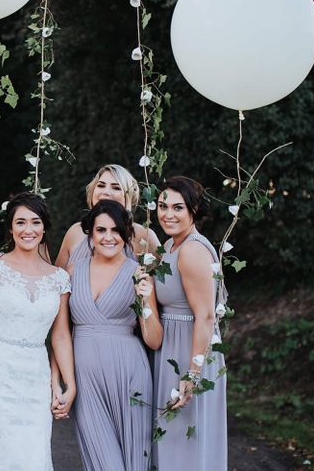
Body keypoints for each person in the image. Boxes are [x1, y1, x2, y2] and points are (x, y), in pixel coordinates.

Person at [0, 192, 74, 471]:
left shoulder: (59, 278)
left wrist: (68, 384)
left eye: (35, 222)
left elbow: (60, 335)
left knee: (33, 458)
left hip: (35, 377)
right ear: (10, 228)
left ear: (44, 227)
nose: (28, 230)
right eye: (20, 222)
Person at [63, 200, 162, 470]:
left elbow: (154, 340)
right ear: (91, 234)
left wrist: (145, 305)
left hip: (130, 374)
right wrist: (62, 381)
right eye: (101, 230)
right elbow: (60, 332)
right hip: (86, 381)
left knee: (134, 461)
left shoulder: (139, 274)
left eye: (116, 230)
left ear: (127, 234)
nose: (109, 237)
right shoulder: (72, 272)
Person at [152, 176, 227, 470]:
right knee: (171, 443)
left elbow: (206, 316)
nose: (167, 214)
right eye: (162, 206)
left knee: (184, 444)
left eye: (177, 207)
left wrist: (192, 374)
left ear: (194, 209)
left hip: (188, 351)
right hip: (170, 347)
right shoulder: (170, 245)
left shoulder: (193, 250)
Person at [56, 164, 160, 268]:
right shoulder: (75, 232)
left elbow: (162, 281)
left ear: (129, 196)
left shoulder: (143, 235)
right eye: (101, 185)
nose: (106, 192)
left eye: (116, 187)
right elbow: (58, 279)